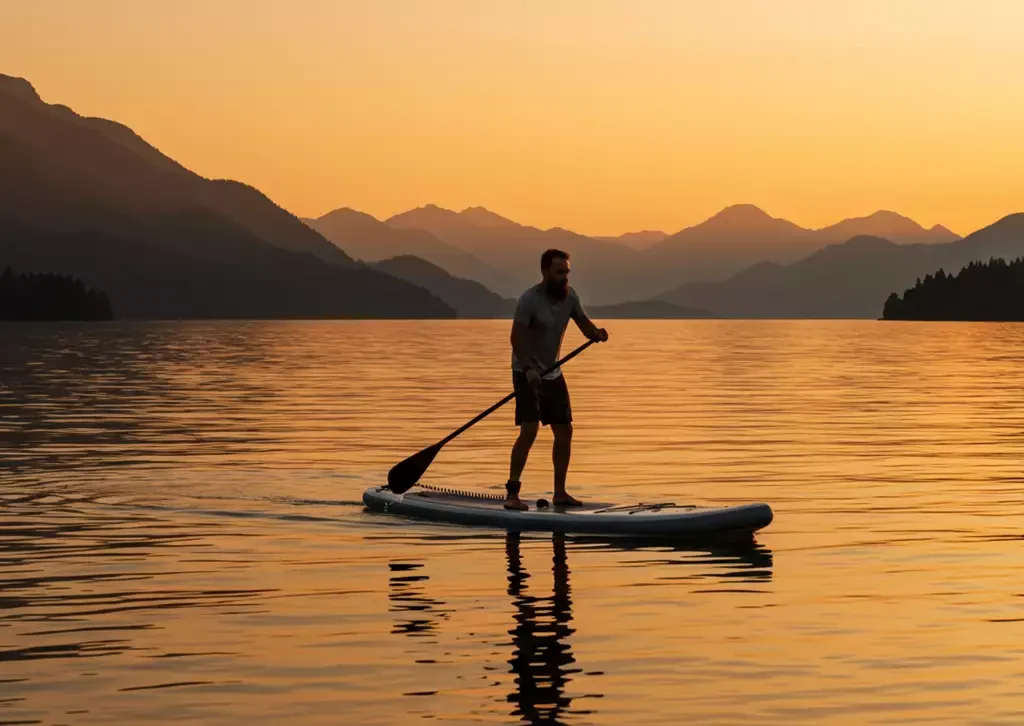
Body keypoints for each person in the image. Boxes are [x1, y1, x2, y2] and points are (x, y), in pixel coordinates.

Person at [505, 248, 608, 511]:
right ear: (545, 272)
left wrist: (596, 333)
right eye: (559, 272)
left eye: (567, 272)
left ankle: (560, 493)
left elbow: (584, 324)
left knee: (565, 431)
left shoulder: (570, 296)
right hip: (526, 371)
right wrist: (528, 369)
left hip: (553, 372)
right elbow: (516, 338)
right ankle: (512, 494)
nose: (564, 277)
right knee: (529, 431)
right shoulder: (528, 299)